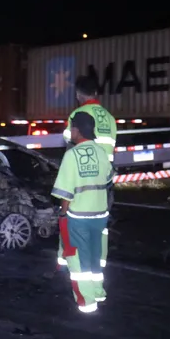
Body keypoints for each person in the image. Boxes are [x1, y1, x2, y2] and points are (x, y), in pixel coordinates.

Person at [51, 111, 113, 313]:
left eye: (71, 128)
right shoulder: (101, 152)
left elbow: (65, 192)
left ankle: (86, 302)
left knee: (78, 260)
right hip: (100, 214)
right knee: (96, 256)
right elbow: (107, 180)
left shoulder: (71, 155)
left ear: (77, 130)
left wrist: (63, 214)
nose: (70, 132)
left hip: (79, 216)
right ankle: (98, 292)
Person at [58, 75, 117, 270]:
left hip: (82, 176)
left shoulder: (79, 114)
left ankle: (67, 261)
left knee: (70, 218)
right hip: (104, 181)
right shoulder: (109, 117)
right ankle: (97, 265)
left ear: (77, 94)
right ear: (96, 93)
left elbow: (69, 142)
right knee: (100, 223)